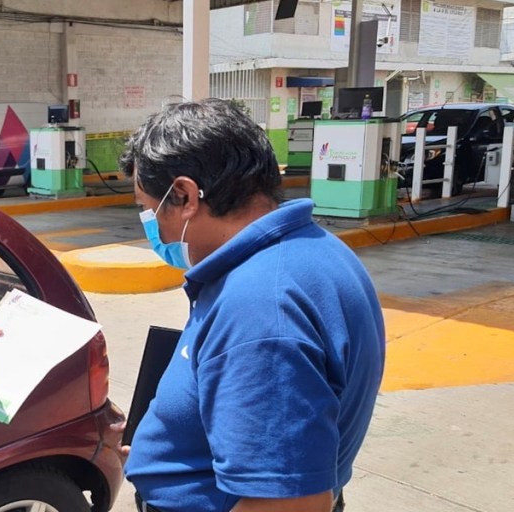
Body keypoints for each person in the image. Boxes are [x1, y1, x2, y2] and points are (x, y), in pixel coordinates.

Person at [118, 99, 386, 512]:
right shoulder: (311, 249)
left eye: (148, 209)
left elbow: (287, 504)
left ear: (186, 195)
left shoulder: (260, 306)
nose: (153, 226)